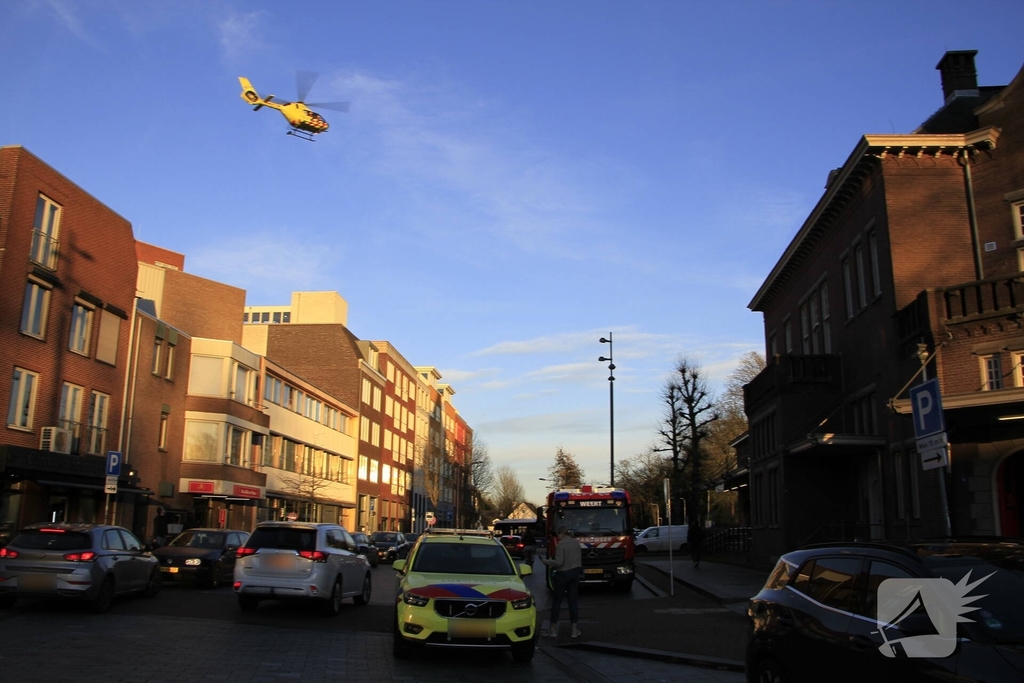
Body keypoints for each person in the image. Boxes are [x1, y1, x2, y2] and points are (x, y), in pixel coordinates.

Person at [541, 525, 582, 639]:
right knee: (573, 602)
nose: (558, 537)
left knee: (557, 602)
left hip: (563, 575)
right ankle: (574, 630)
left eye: (558, 535)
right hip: (575, 574)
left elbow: (559, 562)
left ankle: (552, 630)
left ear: (562, 534)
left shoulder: (561, 545)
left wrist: (546, 562)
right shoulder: (576, 543)